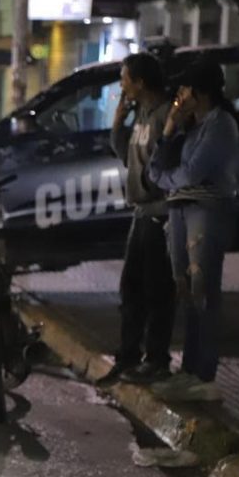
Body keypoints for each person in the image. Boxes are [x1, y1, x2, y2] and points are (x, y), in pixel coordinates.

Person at [147, 58, 239, 400]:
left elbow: (192, 173)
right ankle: (188, 369)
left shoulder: (220, 125)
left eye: (184, 89)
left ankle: (203, 373)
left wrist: (171, 180)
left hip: (206, 209)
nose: (179, 96)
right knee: (184, 289)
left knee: (203, 290)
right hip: (180, 209)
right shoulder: (191, 127)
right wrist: (170, 127)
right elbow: (155, 172)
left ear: (199, 93)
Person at [98, 53, 176, 386]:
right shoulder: (141, 113)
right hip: (140, 213)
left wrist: (148, 188)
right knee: (131, 288)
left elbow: (165, 164)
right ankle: (127, 357)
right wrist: (118, 121)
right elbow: (125, 154)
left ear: (140, 82)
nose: (122, 85)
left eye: (125, 78)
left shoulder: (165, 115)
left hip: (160, 213)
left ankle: (156, 359)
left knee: (157, 289)